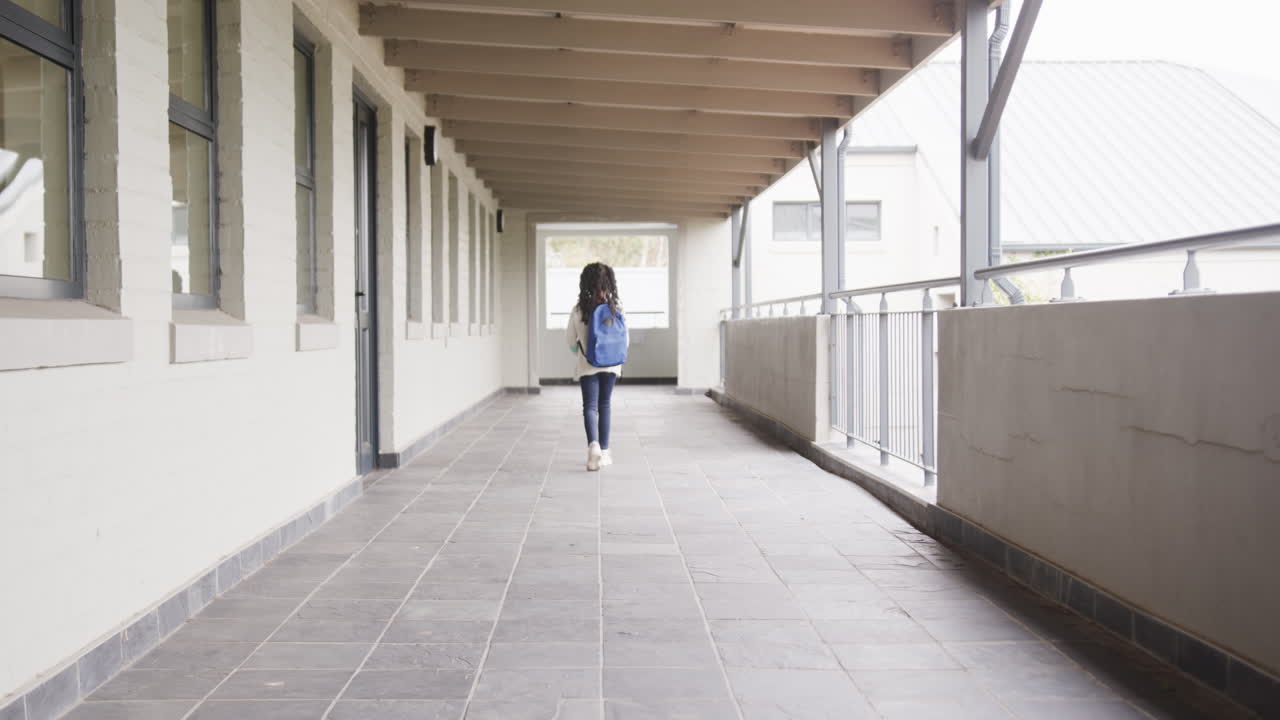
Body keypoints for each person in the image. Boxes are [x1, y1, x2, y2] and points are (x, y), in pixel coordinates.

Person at [565, 262, 625, 471]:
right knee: (605, 405)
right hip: (612, 365)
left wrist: (580, 353)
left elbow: (570, 340)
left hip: (588, 364)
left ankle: (594, 447)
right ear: (609, 284)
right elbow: (625, 340)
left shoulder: (579, 310)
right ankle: (606, 452)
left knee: (590, 406)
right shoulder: (616, 309)